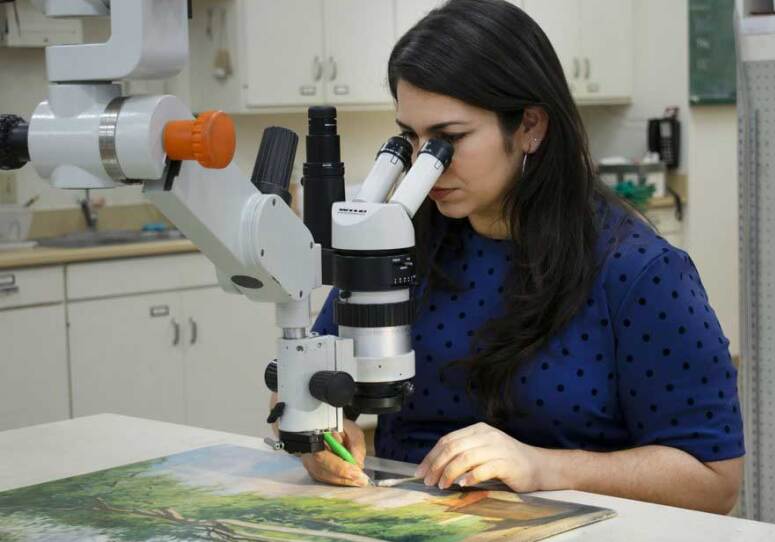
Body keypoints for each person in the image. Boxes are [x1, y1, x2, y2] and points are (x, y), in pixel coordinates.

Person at [277, 0, 744, 514]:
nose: (425, 164)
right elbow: (305, 377)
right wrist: (316, 428)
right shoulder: (397, 242)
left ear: (530, 127)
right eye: (411, 138)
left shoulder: (638, 270)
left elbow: (713, 481)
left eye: (449, 139)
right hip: (402, 515)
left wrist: (546, 467)